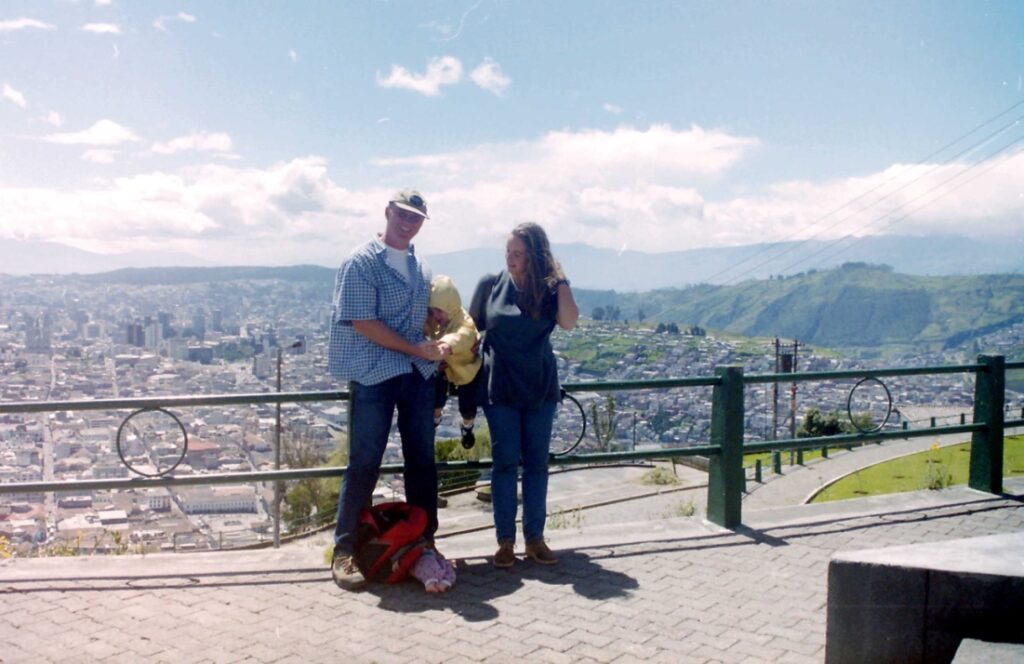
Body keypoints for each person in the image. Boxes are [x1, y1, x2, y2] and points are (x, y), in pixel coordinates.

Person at [327, 188, 450, 591]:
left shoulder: (421, 267)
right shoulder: (361, 261)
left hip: (414, 371)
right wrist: (416, 347)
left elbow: (403, 319)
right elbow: (363, 321)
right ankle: (345, 549)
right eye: (402, 214)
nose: (407, 222)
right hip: (375, 371)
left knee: (421, 462)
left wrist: (428, 315)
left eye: (415, 217)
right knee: (364, 461)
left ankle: (423, 541)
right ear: (387, 212)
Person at [468, 222, 579, 568]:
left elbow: (570, 321)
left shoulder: (548, 290)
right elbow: (470, 329)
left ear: (535, 256)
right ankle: (505, 541)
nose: (511, 259)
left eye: (518, 253)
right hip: (499, 386)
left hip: (539, 386)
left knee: (536, 465)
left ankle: (535, 538)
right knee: (504, 464)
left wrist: (560, 281)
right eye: (508, 252)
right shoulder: (491, 285)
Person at [425, 275, 482, 449]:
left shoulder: (465, 322)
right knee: (436, 398)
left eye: (440, 311)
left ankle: (467, 426)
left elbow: (462, 336)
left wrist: (445, 346)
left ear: (451, 305)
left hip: (465, 369)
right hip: (444, 367)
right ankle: (434, 421)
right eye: (433, 310)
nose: (436, 315)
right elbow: (424, 327)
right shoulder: (435, 319)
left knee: (467, 406)